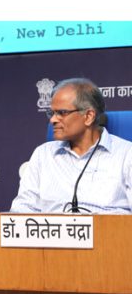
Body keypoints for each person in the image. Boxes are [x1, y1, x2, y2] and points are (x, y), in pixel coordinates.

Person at [10, 77, 132, 214]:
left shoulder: (127, 155)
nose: (53, 120)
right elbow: (22, 208)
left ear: (88, 116)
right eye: (51, 113)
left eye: (62, 113)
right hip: (50, 233)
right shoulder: (43, 154)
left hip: (110, 233)